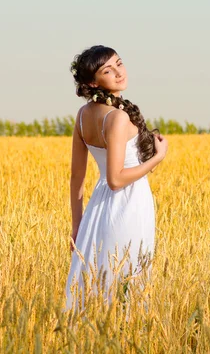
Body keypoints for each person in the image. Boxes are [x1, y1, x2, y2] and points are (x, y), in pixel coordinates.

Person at [64, 45, 168, 313]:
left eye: (119, 64)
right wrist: (156, 158)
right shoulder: (117, 117)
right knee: (127, 279)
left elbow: (77, 177)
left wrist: (78, 225)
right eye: (107, 70)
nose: (119, 72)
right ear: (92, 81)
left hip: (98, 209)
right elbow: (116, 179)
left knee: (98, 280)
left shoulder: (83, 115)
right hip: (128, 205)